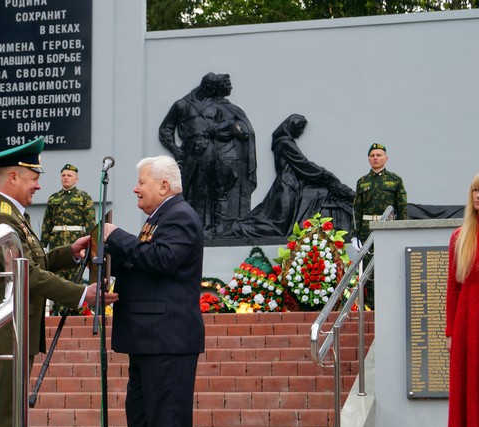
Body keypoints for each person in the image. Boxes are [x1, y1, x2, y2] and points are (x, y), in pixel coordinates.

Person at [0, 137, 118, 427]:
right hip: (3, 333)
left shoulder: (11, 213)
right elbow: (29, 276)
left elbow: (32, 262)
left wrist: (68, 253)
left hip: (15, 332)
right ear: (14, 176)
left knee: (11, 416)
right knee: (1, 417)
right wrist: (82, 294)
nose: (39, 184)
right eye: (34, 176)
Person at [102, 155, 204, 427]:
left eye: (141, 182)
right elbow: (148, 265)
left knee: (168, 421)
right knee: (143, 420)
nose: (135, 188)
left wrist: (117, 238)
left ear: (163, 185)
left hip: (169, 339)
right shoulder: (160, 218)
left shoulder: (180, 216)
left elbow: (162, 259)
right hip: (149, 337)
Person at [224, 114, 354, 239]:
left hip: (290, 185)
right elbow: (303, 164)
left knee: (276, 225)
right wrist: (324, 174)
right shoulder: (285, 143)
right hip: (288, 186)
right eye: (299, 129)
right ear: (291, 126)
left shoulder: (284, 142)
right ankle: (236, 228)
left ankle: (237, 227)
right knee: (277, 227)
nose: (301, 132)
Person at [158, 72, 256, 239]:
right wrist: (175, 149)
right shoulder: (182, 105)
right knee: (187, 190)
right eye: (211, 90)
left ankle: (209, 228)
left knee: (209, 192)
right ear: (205, 87)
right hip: (191, 151)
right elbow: (165, 129)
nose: (213, 93)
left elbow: (227, 125)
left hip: (211, 152)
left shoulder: (215, 106)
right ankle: (184, 228)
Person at [445, 174, 479, 427]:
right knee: (470, 398)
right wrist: (451, 331)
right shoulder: (460, 237)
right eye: (476, 191)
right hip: (469, 323)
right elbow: (453, 288)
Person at [351, 142, 408, 307]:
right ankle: (371, 310)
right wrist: (354, 235)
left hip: (388, 230)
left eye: (379, 155)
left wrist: (402, 231)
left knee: (388, 269)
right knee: (369, 272)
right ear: (369, 159)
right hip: (367, 232)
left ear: (386, 158)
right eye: (372, 156)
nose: (375, 158)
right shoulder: (362, 182)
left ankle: (388, 306)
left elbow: (402, 207)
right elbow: (357, 210)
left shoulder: (395, 180)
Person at [40, 163, 96, 280]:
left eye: (69, 175)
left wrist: (91, 246)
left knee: (75, 279)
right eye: (63, 175)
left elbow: (90, 223)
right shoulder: (53, 198)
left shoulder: (84, 197)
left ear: (76, 179)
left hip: (76, 242)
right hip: (56, 243)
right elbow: (47, 223)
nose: (66, 177)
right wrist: (43, 245)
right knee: (55, 279)